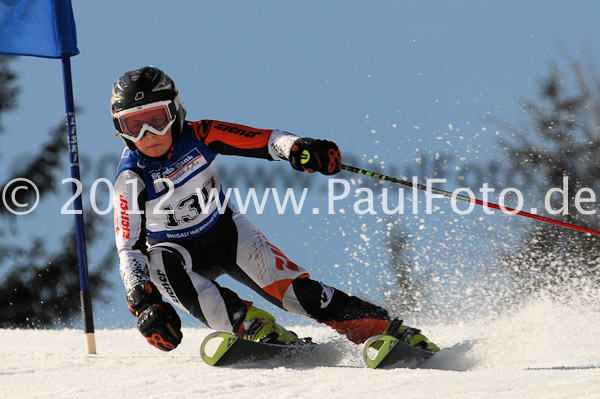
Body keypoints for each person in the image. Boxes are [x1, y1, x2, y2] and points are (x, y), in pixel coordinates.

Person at [111, 65, 439, 353]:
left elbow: (265, 140)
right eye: (134, 126)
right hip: (177, 255)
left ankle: (388, 330)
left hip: (226, 235)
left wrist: (300, 148)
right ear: (121, 132)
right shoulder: (131, 177)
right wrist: (144, 303)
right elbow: (129, 248)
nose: (149, 135)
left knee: (296, 294)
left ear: (175, 112)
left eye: (157, 120)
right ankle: (251, 326)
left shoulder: (201, 134)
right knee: (156, 261)